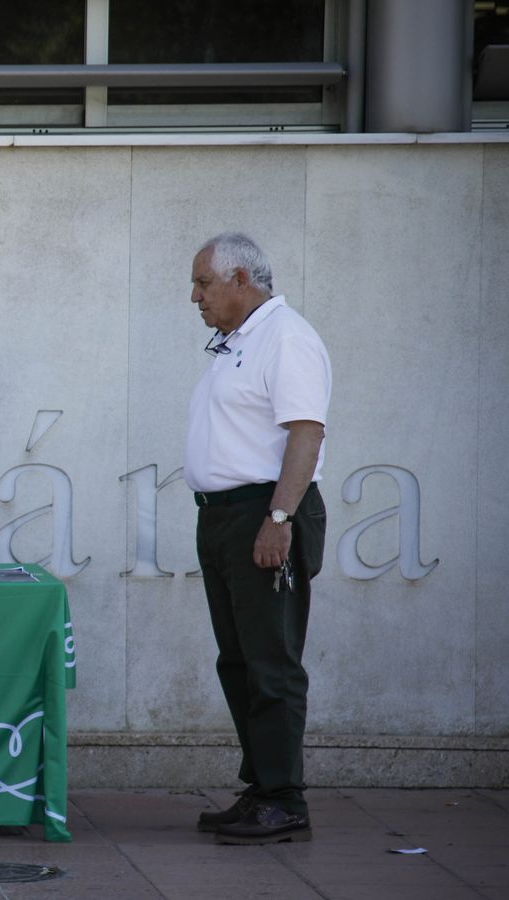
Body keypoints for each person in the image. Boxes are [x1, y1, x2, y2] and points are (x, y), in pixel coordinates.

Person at [184, 233, 330, 845]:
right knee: (238, 659)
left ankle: (284, 798)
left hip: (263, 514)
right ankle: (261, 786)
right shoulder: (239, 342)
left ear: (241, 279)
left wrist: (279, 518)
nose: (194, 297)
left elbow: (305, 432)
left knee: (271, 660)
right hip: (223, 516)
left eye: (203, 284)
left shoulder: (286, 336)